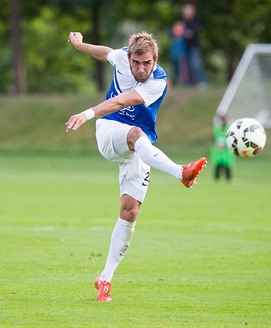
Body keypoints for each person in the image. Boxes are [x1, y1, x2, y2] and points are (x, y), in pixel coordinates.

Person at [66, 31, 207, 302]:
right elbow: (103, 53)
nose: (141, 69)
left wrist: (85, 112)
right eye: (136, 63)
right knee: (135, 135)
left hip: (140, 147)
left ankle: (104, 278)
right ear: (128, 57)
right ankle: (181, 173)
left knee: (129, 213)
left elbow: (122, 100)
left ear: (155, 60)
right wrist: (80, 44)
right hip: (109, 131)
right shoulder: (120, 58)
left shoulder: (158, 82)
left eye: (147, 64)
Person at [181, 3, 207, 88]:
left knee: (195, 64)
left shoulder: (195, 22)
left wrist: (188, 33)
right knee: (188, 66)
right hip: (185, 47)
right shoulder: (183, 23)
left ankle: (202, 81)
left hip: (194, 47)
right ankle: (192, 83)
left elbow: (194, 32)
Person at [211, 115, 235, 181]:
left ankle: (228, 179)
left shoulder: (229, 129)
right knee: (218, 166)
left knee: (227, 165)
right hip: (218, 151)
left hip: (227, 152)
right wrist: (217, 145)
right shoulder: (216, 129)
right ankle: (216, 179)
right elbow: (213, 139)